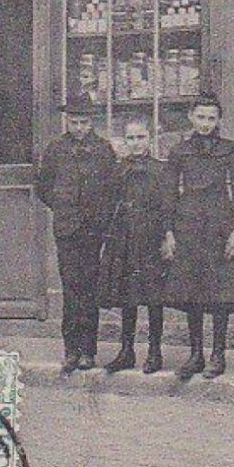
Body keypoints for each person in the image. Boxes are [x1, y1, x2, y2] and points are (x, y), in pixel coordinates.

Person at [162, 94, 234, 380]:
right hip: (188, 223)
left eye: (211, 118)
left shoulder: (230, 150)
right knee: (192, 292)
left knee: (220, 292)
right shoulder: (179, 152)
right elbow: (168, 193)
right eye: (200, 117)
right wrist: (169, 231)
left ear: (219, 120)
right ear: (191, 117)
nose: (205, 124)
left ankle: (218, 354)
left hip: (219, 222)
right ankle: (196, 353)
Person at [38, 96, 117, 374]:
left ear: (92, 122)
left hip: (93, 230)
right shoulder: (56, 149)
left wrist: (99, 218)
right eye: (74, 123)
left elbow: (112, 190)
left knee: (90, 288)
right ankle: (71, 350)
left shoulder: (104, 150)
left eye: (84, 122)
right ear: (67, 121)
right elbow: (43, 187)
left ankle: (88, 351)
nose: (80, 128)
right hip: (67, 229)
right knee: (71, 286)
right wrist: (63, 207)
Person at [98, 116, 173, 375]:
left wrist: (166, 236)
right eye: (130, 138)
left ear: (150, 138)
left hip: (151, 236)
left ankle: (154, 352)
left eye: (141, 137)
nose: (136, 143)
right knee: (127, 295)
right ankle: (126, 350)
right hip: (125, 236)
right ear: (124, 140)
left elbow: (167, 206)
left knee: (154, 296)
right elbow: (109, 202)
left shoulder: (161, 169)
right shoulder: (118, 169)